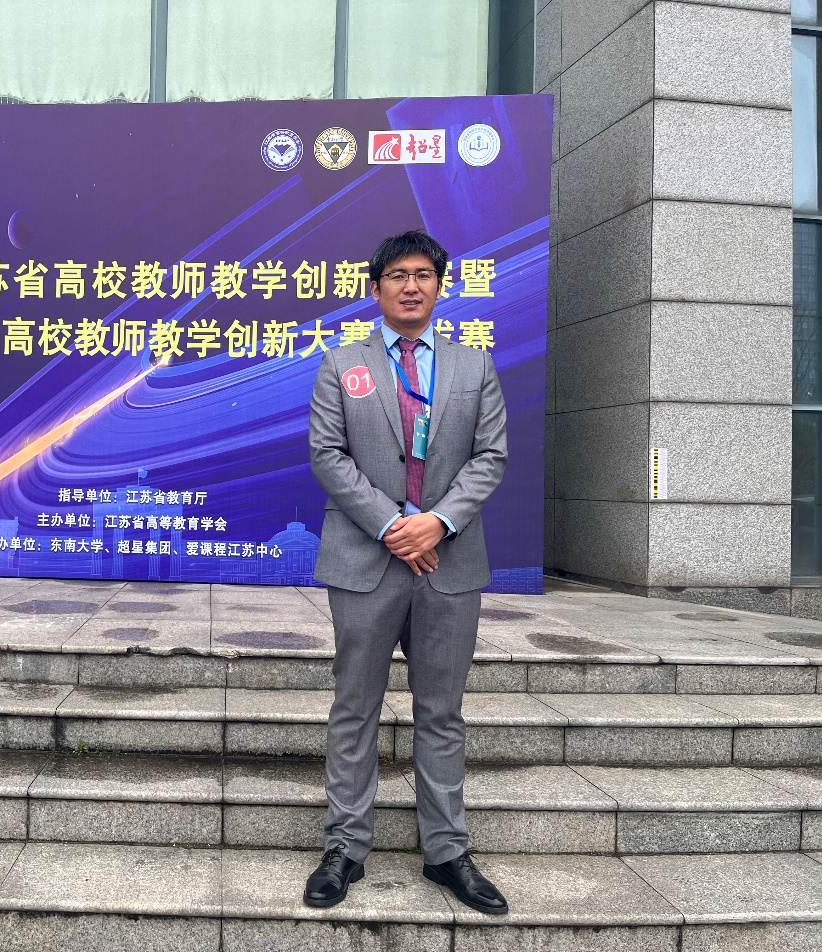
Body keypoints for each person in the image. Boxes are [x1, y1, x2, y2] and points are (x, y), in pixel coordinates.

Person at [304, 230, 509, 914]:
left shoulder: (473, 366)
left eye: (423, 274)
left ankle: (447, 851)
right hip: (365, 561)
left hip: (448, 563)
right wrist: (395, 526)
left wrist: (437, 522)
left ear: (439, 286)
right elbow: (328, 454)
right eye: (397, 275)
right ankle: (344, 848)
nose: (410, 285)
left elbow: (490, 456)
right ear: (376, 289)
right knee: (354, 707)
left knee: (441, 712)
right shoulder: (342, 363)